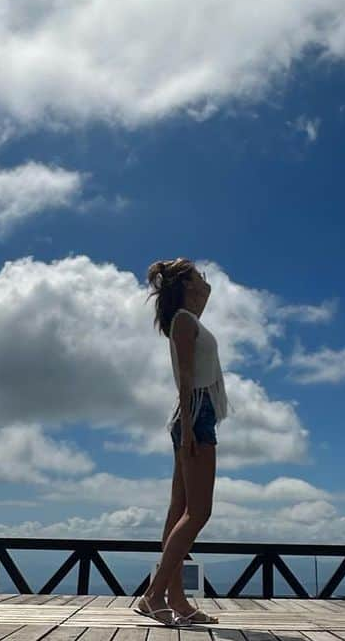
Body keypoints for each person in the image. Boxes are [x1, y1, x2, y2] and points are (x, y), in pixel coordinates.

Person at [134, 258, 232, 627]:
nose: (204, 279)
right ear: (185, 284)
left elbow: (205, 293)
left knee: (179, 510)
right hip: (194, 413)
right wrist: (190, 429)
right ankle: (153, 595)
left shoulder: (189, 317)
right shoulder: (183, 322)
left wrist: (187, 276)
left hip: (195, 413)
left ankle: (176, 598)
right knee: (199, 512)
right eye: (196, 275)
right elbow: (186, 376)